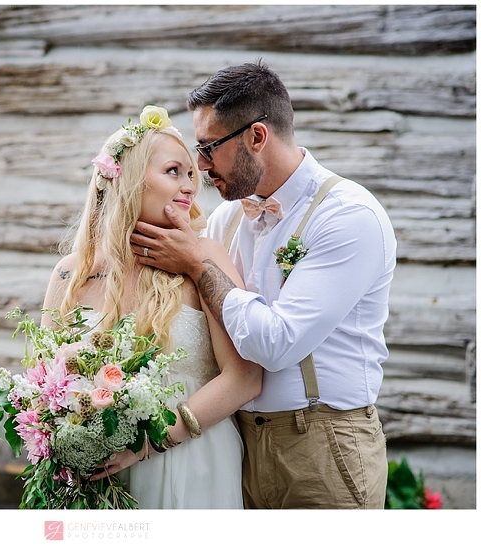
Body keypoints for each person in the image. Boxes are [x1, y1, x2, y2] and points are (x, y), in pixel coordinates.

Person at [129, 61, 397, 509]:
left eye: (209, 147)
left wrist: (198, 264)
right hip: (236, 444)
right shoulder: (226, 217)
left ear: (257, 137)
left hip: (323, 445)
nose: (200, 165)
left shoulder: (349, 216)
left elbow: (276, 344)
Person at [40, 105, 262, 509]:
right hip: (99, 476)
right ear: (125, 179)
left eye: (192, 175)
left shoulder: (205, 259)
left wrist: (147, 443)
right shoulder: (69, 274)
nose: (190, 186)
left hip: (192, 463)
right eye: (173, 171)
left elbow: (245, 378)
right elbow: (45, 384)